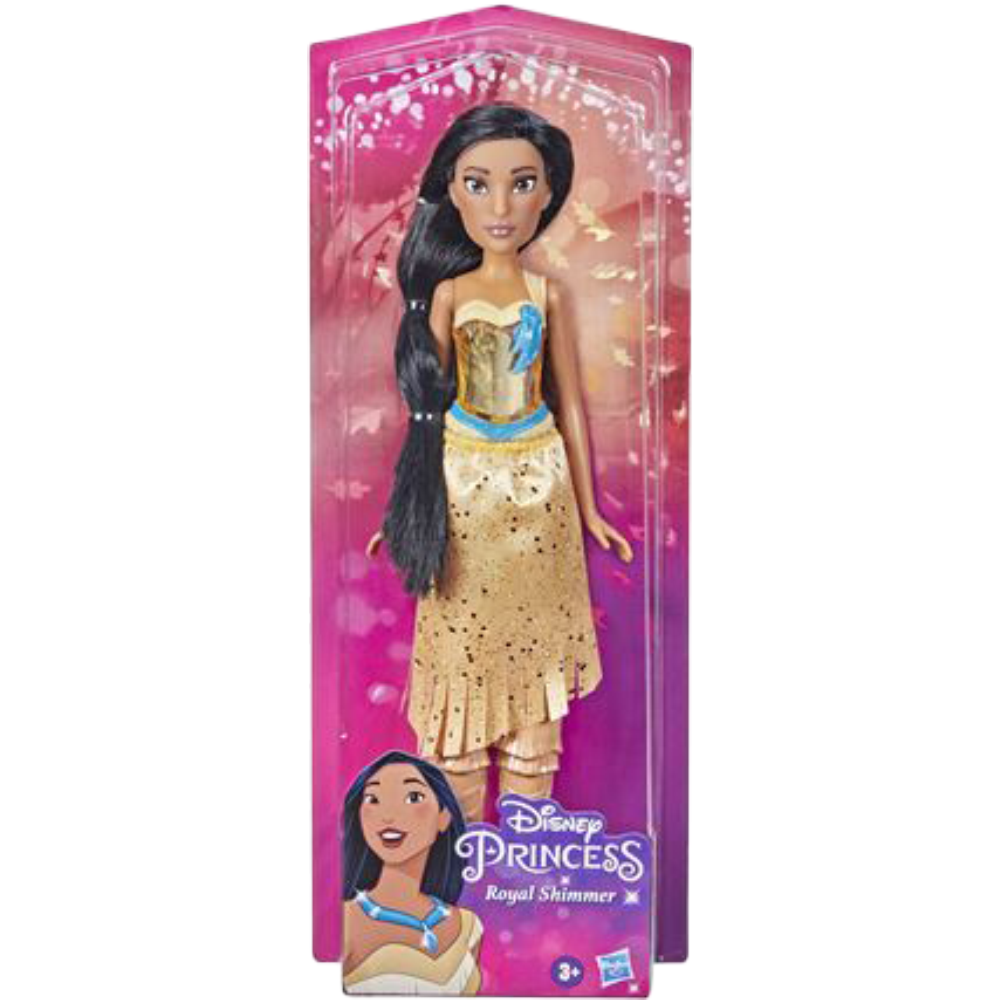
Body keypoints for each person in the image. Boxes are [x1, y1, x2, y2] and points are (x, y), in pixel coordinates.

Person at [368, 103, 632, 821]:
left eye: (522, 184)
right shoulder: (450, 295)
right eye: (479, 184)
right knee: (459, 659)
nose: (502, 206)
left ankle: (524, 840)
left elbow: (569, 403)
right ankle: (458, 839)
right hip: (463, 489)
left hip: (540, 490)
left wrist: (588, 510)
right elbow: (425, 407)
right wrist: (404, 507)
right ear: (452, 192)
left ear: (548, 192)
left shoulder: (547, 294)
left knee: (536, 667)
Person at [342, 751, 483, 994]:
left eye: (413, 797)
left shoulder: (469, 926)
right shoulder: (344, 922)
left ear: (443, 817)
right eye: (373, 799)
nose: (389, 816)